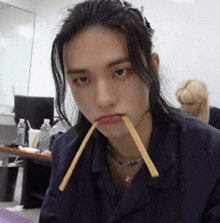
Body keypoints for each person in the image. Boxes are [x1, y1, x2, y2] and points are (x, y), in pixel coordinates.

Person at [39, 0, 220, 222]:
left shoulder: (210, 155)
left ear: (152, 70)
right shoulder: (67, 152)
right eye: (82, 79)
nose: (103, 100)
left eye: (120, 72)